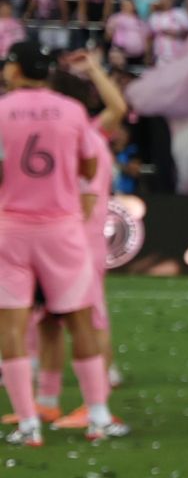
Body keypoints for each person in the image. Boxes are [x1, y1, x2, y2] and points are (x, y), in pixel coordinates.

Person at [1, 42, 124, 446]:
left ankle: (28, 422)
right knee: (80, 320)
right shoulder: (72, 112)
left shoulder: (2, 110)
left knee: (13, 324)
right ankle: (99, 417)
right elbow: (89, 164)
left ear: (17, 71)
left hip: (12, 227)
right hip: (61, 227)